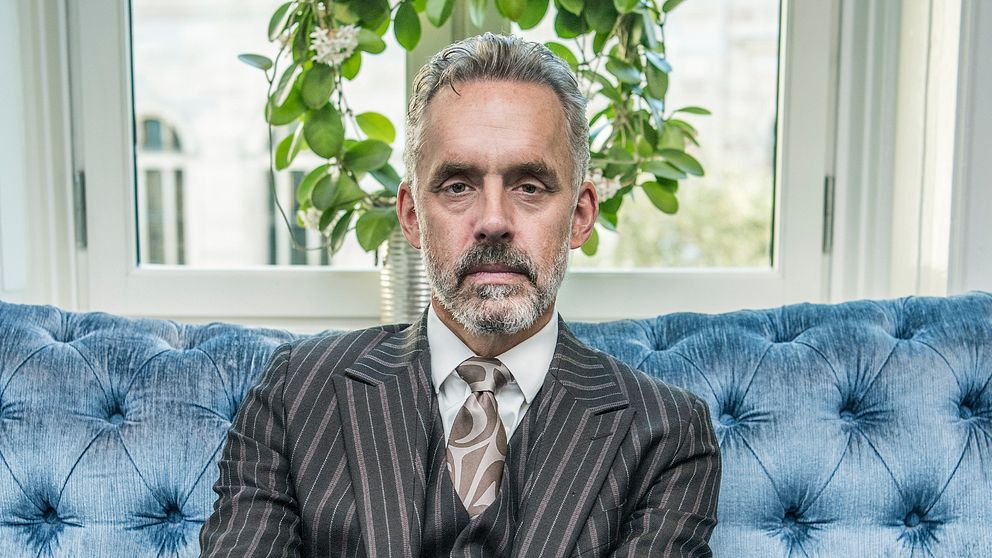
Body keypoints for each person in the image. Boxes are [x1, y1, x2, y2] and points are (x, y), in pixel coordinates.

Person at [200, 33, 720, 557]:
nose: (493, 220)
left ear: (580, 216)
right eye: (457, 186)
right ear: (411, 216)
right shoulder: (295, 392)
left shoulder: (668, 434)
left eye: (529, 186)